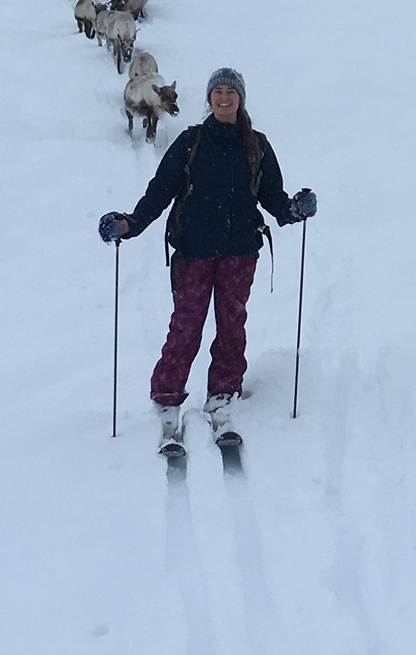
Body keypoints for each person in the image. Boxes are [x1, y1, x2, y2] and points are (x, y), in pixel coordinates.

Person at [98, 67, 315, 445]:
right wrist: (130, 223)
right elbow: (160, 192)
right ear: (210, 98)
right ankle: (167, 401)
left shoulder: (257, 146)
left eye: (231, 92)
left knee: (231, 329)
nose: (224, 98)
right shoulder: (190, 142)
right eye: (218, 92)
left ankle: (222, 398)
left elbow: (273, 198)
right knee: (186, 328)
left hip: (239, 253)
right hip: (194, 251)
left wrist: (294, 209)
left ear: (241, 99)